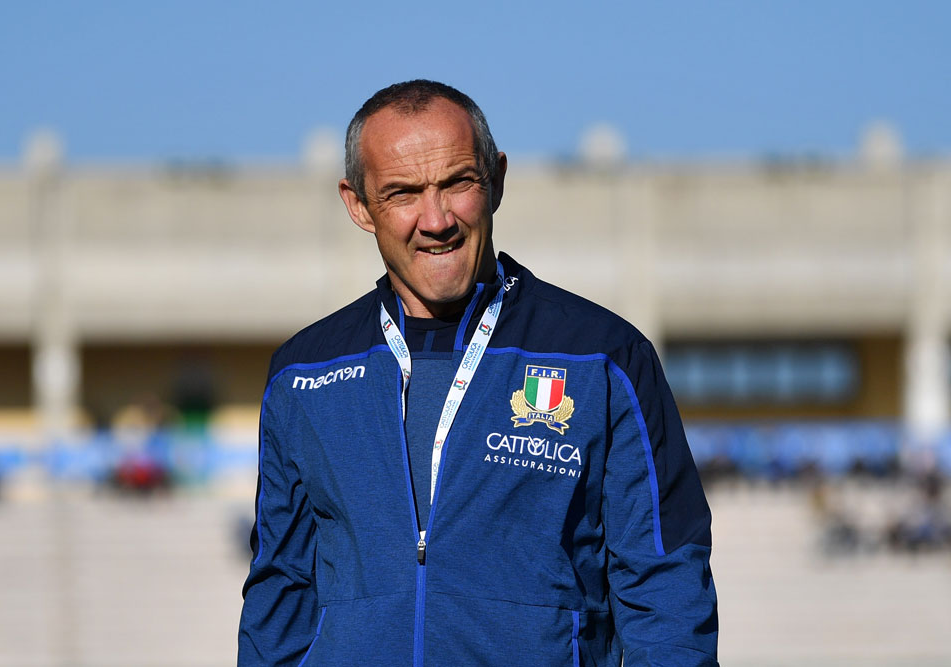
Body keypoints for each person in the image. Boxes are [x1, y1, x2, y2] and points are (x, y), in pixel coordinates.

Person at [238, 80, 718, 666]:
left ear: (495, 179)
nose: (435, 219)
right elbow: (281, 592)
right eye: (402, 193)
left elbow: (665, 587)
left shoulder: (603, 358)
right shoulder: (303, 374)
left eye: (457, 183)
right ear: (359, 205)